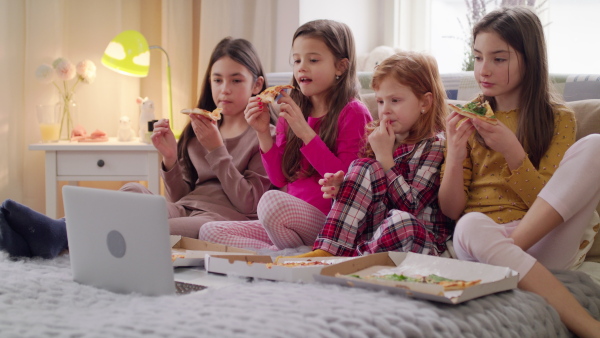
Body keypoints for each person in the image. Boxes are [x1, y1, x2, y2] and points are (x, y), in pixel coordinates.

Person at [0, 37, 275, 259]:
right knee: (131, 191)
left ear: (257, 84)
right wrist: (169, 159)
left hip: (223, 219)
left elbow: (249, 203)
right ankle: (55, 231)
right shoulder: (199, 127)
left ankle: (53, 233)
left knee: (152, 227)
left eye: (236, 80)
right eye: (217, 80)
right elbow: (183, 196)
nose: (224, 89)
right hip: (186, 209)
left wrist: (217, 150)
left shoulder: (263, 134)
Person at [438, 6, 600, 337]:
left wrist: (513, 151)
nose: (484, 69)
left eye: (499, 59)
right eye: (479, 57)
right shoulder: (466, 118)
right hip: (480, 243)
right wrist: (454, 154)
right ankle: (589, 327)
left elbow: (550, 205)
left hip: (542, 241)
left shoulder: (559, 118)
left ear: (530, 60)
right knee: (468, 224)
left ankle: (511, 248)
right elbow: (452, 210)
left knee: (596, 145)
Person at [199, 19, 373, 250]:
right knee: (209, 231)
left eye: (313, 60)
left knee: (271, 203)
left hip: (332, 224)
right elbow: (279, 178)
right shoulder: (290, 109)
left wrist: (304, 131)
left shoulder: (353, 113)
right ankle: (288, 257)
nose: (301, 67)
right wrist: (262, 132)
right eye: (297, 60)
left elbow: (348, 184)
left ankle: (298, 256)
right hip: (285, 223)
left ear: (340, 67)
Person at [287, 52, 455, 259]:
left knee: (400, 220)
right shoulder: (380, 137)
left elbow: (410, 207)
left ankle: (356, 260)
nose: (385, 110)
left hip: (418, 238)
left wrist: (385, 158)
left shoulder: (435, 145)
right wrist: (347, 188)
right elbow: (368, 206)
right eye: (381, 102)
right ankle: (329, 251)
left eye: (395, 100)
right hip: (374, 235)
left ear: (425, 103)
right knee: (363, 166)